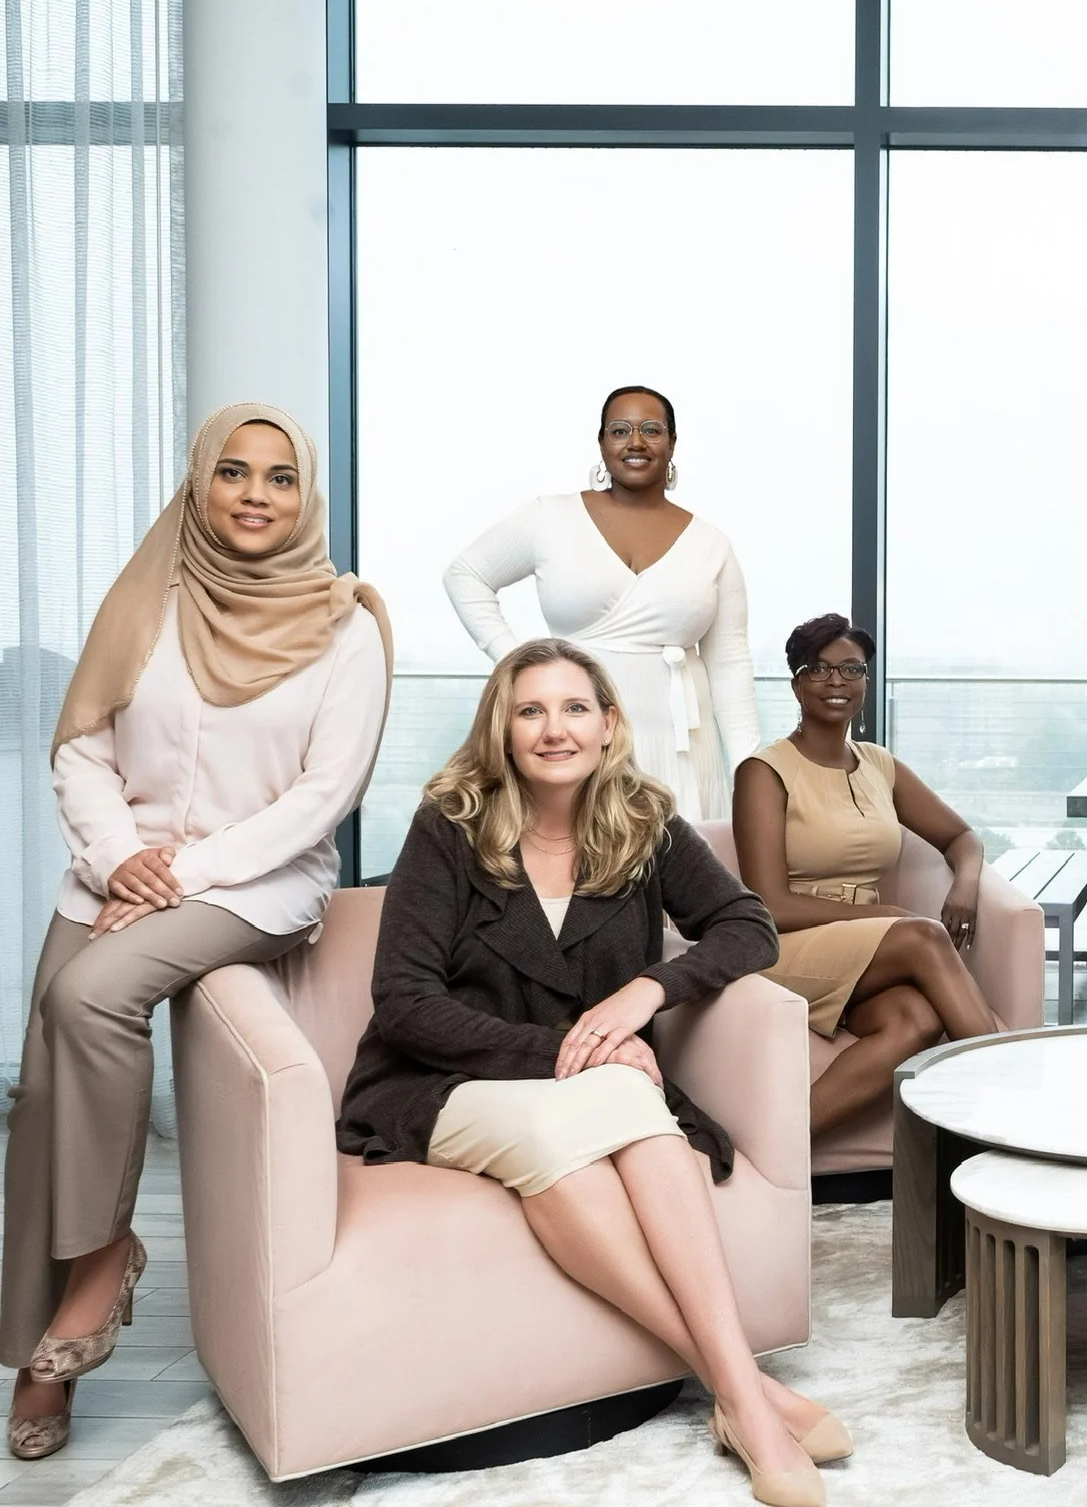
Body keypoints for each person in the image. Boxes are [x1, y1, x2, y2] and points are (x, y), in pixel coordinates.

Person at [335, 639, 842, 1507]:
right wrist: (567, 1049)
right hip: (448, 1082)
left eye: (574, 709)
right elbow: (404, 1003)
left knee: (625, 1121)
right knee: (596, 1107)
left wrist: (649, 990)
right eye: (530, 710)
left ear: (609, 726)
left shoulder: (643, 822)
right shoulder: (448, 825)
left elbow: (747, 927)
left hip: (591, 1084)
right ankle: (748, 1397)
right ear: (502, 728)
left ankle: (737, 1397)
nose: (553, 729)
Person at [7, 403, 392, 1460]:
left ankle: (93, 1281)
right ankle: (35, 1334)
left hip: (252, 882)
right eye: (234, 473)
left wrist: (179, 871)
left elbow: (326, 793)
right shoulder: (147, 596)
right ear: (201, 482)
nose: (256, 495)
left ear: (304, 497)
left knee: (88, 995)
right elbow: (80, 743)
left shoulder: (346, 623)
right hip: (113, 872)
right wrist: (113, 856)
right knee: (40, 1079)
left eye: (279, 478)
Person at [729, 614, 1004, 1135]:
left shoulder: (880, 764)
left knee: (916, 1021)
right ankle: (1009, 1113)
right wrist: (890, 915)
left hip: (866, 948)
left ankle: (771, 1145)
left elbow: (962, 837)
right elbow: (770, 904)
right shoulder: (763, 772)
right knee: (922, 936)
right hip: (786, 946)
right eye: (820, 669)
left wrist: (965, 882)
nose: (837, 683)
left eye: (851, 670)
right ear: (796, 684)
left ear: (867, 682)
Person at [443, 385, 760, 820]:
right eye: (619, 430)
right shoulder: (550, 517)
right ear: (601, 443)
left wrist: (750, 770)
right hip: (577, 735)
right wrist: (521, 664)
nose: (635, 441)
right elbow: (466, 575)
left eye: (651, 429)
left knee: (681, 876)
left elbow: (729, 664)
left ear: (672, 443)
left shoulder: (711, 544)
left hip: (684, 748)